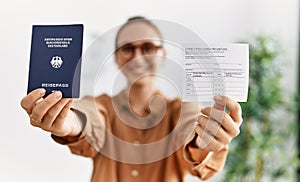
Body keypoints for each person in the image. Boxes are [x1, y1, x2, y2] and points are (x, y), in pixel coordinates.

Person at [20, 16, 243, 181]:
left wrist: (201, 141)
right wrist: (67, 123)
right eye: (128, 49)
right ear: (117, 58)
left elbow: (192, 133)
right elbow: (86, 118)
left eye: (147, 47)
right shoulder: (101, 106)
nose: (137, 57)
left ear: (162, 55)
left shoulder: (182, 111)